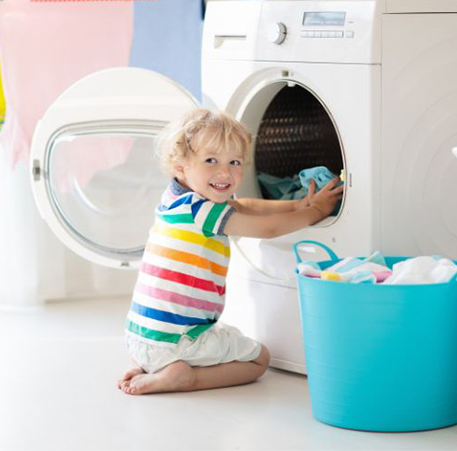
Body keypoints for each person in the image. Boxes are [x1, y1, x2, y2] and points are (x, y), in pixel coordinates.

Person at [117, 108, 344, 395]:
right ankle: (183, 377)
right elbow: (268, 229)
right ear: (180, 165)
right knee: (259, 360)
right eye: (211, 160)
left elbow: (245, 206)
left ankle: (151, 366)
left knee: (197, 345)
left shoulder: (177, 200)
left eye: (234, 162)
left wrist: (296, 205)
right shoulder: (203, 211)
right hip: (180, 338)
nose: (225, 172)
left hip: (139, 336)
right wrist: (315, 211)